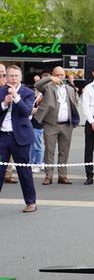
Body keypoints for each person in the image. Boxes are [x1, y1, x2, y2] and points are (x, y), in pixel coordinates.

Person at [0, 65, 38, 212]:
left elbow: (26, 111)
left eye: (16, 76)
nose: (13, 79)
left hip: (20, 138)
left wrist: (16, 97)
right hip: (3, 137)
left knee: (24, 171)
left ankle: (31, 202)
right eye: (11, 76)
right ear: (6, 77)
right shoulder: (1, 91)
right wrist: (4, 103)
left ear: (21, 77)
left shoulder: (28, 93)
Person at [34, 66, 80, 185]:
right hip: (51, 124)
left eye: (61, 75)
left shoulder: (69, 89)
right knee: (49, 151)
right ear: (53, 75)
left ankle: (62, 175)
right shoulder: (48, 87)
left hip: (66, 124)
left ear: (64, 75)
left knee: (64, 151)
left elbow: (75, 104)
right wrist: (50, 78)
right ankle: (48, 175)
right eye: (57, 75)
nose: (60, 77)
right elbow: (37, 85)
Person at [0, 64, 16, 185]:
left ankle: (7, 174)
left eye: (3, 72)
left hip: (7, 127)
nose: (2, 74)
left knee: (7, 153)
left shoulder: (8, 86)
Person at [30, 75, 45, 172]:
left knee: (37, 145)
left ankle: (38, 163)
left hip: (38, 123)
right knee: (31, 144)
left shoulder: (44, 95)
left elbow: (42, 110)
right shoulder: (32, 94)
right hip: (30, 122)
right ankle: (31, 162)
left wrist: (32, 110)